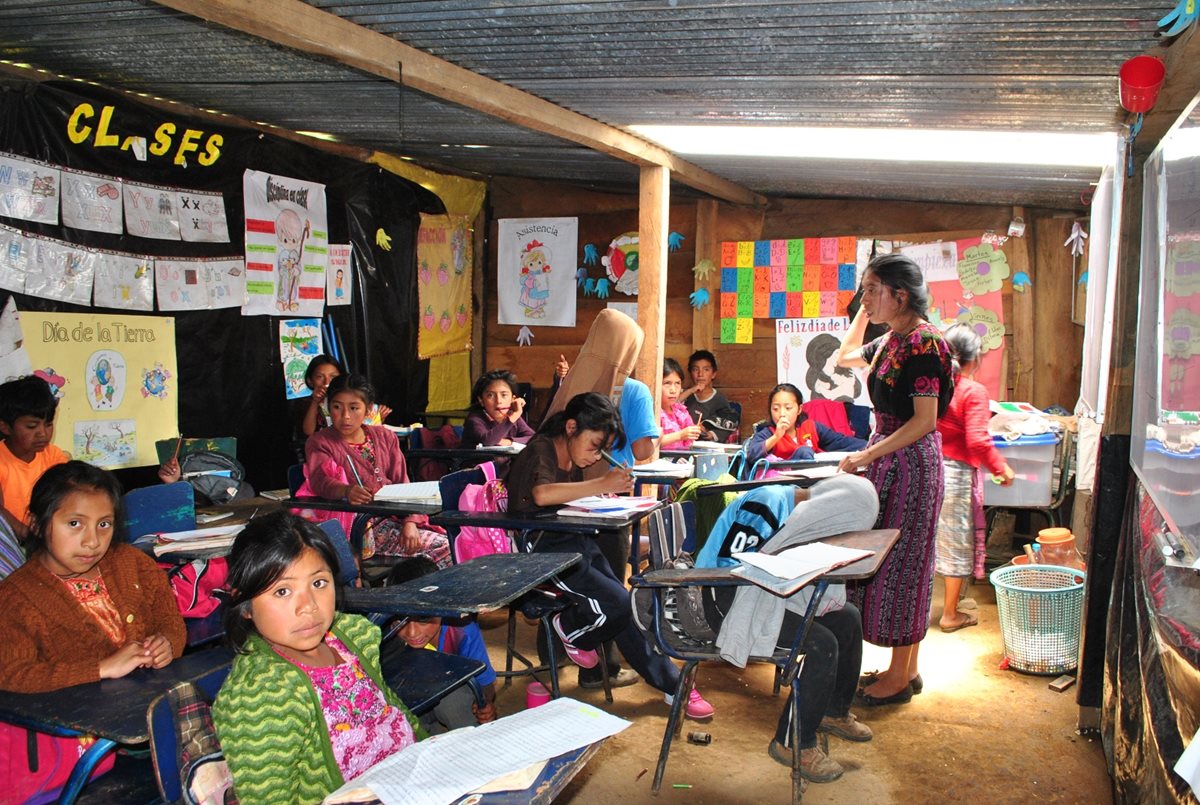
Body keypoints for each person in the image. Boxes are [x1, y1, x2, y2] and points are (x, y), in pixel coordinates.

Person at [505, 392, 714, 719]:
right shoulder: (542, 448)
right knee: (615, 603)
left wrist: (599, 494)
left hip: (568, 540)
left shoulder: (570, 456)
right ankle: (571, 627)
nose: (596, 456)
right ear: (572, 427)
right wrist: (598, 483)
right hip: (538, 552)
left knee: (623, 602)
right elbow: (542, 494)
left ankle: (673, 683)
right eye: (594, 446)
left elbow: (561, 500)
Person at [213, 512, 427, 804]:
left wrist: (429, 749)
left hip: (410, 781)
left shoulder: (347, 639)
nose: (308, 606)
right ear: (245, 604)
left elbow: (389, 708)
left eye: (318, 583)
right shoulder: (260, 695)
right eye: (283, 591)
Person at [696, 475, 879, 782]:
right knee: (822, 643)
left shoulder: (802, 513)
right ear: (831, 508)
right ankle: (793, 743)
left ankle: (833, 711)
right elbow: (733, 566)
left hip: (765, 588)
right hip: (723, 594)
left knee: (848, 618)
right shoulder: (767, 502)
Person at [835, 253, 954, 706]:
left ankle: (899, 679)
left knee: (907, 565)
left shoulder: (926, 344)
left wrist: (867, 453)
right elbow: (846, 357)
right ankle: (906, 668)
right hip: (889, 460)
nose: (863, 299)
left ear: (899, 295)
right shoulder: (891, 341)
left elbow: (924, 421)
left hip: (913, 466)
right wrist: (866, 311)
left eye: (871, 290)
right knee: (898, 561)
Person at [540, 310, 659, 689]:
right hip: (603, 509)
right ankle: (599, 668)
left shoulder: (568, 385)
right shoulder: (636, 391)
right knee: (607, 585)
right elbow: (644, 450)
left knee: (565, 583)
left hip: (555, 516)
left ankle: (552, 657)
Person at [0, 461, 185, 694]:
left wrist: (167, 644)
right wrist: (101, 669)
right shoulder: (15, 597)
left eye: (104, 524)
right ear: (37, 525)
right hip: (75, 723)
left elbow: (170, 621)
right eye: (75, 523)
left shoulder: (133, 563)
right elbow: (13, 673)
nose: (93, 541)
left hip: (147, 703)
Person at [303, 374, 449, 565]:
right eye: (337, 407)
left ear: (368, 410)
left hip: (396, 517)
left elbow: (402, 483)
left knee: (456, 540)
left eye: (354, 408)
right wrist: (346, 490)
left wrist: (411, 521)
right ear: (328, 407)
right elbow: (320, 480)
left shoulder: (385, 437)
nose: (345, 416)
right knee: (446, 548)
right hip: (362, 528)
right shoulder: (320, 442)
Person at [935, 324, 1013, 632]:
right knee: (955, 543)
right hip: (954, 475)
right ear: (974, 358)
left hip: (927, 469)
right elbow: (979, 440)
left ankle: (926, 608)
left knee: (929, 542)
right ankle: (950, 614)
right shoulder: (973, 391)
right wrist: (1001, 468)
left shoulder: (932, 386)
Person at [387, 557, 498, 731]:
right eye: (401, 622)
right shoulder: (384, 634)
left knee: (457, 704)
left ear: (442, 607)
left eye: (424, 619)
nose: (412, 633)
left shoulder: (462, 630)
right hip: (409, 701)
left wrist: (484, 704)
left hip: (449, 698)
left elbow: (485, 682)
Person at [0, 375, 69, 538]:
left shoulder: (54, 456)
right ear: (5, 427)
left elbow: (65, 499)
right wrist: (28, 535)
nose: (43, 434)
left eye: (49, 424)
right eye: (32, 426)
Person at [745, 383, 866, 464]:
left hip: (813, 482)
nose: (782, 414)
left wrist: (872, 446)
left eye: (788, 408)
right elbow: (751, 454)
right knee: (804, 451)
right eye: (775, 409)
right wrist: (776, 437)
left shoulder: (811, 427)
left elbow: (841, 442)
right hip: (783, 483)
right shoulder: (767, 433)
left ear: (799, 409)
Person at [294, 355, 392, 439]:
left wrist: (377, 417)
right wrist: (315, 401)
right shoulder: (306, 403)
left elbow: (362, 427)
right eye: (320, 377)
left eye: (332, 377)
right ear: (310, 380)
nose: (327, 382)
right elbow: (308, 431)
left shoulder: (352, 396)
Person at [461, 369, 534, 447]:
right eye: (490, 395)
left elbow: (534, 437)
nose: (498, 401)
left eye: (504, 395)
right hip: (478, 459)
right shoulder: (475, 419)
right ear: (481, 400)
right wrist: (513, 417)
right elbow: (488, 441)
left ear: (512, 399)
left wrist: (509, 441)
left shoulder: (511, 415)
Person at [681, 350, 739, 443]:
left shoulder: (719, 399)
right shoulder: (686, 395)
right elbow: (672, 405)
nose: (700, 374)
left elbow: (727, 423)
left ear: (713, 374)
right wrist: (691, 390)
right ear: (690, 373)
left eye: (706, 369)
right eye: (695, 369)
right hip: (683, 442)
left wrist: (710, 434)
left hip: (706, 446)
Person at [659, 358, 702, 450]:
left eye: (677, 383)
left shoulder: (680, 411)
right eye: (667, 383)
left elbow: (688, 443)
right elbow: (650, 443)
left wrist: (692, 433)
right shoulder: (653, 412)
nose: (673, 390)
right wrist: (680, 435)